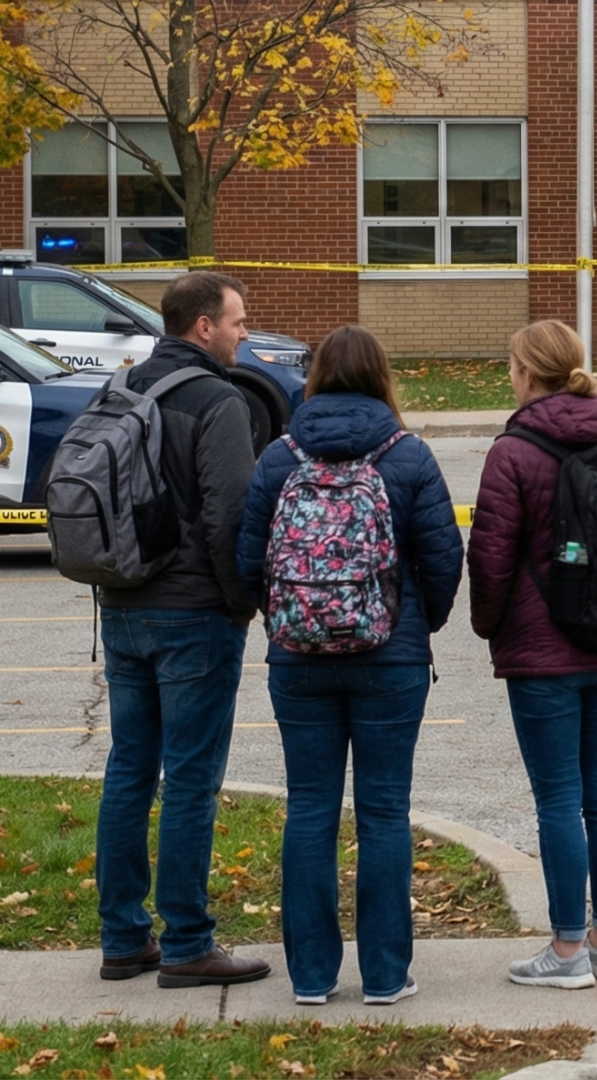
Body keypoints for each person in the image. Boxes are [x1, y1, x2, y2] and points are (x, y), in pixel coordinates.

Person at [236, 325, 463, 1007]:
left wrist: (284, 621)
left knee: (309, 808)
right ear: (381, 377)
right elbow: (445, 559)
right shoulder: (409, 454)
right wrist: (419, 624)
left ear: (315, 380)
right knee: (384, 812)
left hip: (299, 657)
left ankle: (311, 977)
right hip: (389, 655)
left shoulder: (280, 457)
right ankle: (387, 976)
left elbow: (249, 561)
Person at [91, 271, 273, 988]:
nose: (244, 331)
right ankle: (190, 941)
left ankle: (122, 938)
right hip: (193, 613)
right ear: (203, 326)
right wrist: (240, 603)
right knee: (192, 779)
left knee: (130, 769)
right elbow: (232, 515)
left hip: (123, 602)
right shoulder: (218, 401)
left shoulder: (124, 387)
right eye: (237, 320)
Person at [469, 321, 597, 989]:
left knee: (558, 797)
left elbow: (490, 557)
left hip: (542, 651)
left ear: (526, 372)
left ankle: (567, 951)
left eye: (511, 365)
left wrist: (492, 628)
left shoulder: (513, 450)